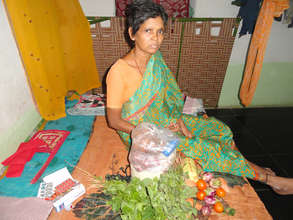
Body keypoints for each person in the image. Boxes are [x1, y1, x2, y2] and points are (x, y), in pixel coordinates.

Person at [106, 0, 293, 195]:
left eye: (160, 31)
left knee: (219, 129)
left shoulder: (155, 60)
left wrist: (179, 122)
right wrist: (153, 134)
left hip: (164, 122)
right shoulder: (119, 72)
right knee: (201, 148)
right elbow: (114, 120)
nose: (156, 38)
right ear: (132, 33)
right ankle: (270, 180)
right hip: (142, 137)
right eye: (148, 31)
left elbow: (168, 98)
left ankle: (245, 165)